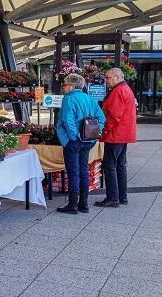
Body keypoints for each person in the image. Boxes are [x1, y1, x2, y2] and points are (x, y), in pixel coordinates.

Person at [56, 73, 106, 214]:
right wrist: (95, 132)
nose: (64, 88)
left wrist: (74, 136)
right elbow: (101, 118)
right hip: (88, 140)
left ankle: (72, 205)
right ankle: (84, 204)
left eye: (65, 85)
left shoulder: (68, 99)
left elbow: (67, 120)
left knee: (73, 172)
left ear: (72, 85)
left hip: (74, 141)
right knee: (84, 171)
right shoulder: (89, 98)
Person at [96, 68, 137, 208]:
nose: (106, 80)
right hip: (123, 133)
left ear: (117, 77)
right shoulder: (125, 89)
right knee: (120, 166)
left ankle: (113, 198)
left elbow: (113, 115)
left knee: (110, 165)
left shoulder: (118, 91)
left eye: (108, 77)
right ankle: (122, 197)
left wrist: (103, 129)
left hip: (115, 134)